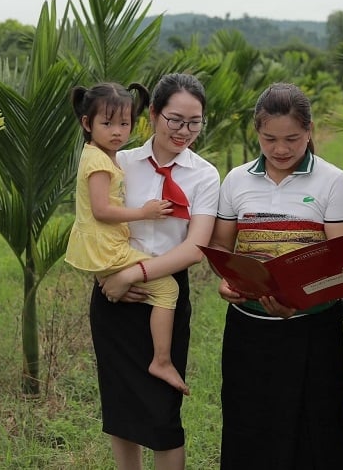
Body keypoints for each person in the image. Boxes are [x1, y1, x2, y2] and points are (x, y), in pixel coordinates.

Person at [209, 82, 343, 469]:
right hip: (249, 326)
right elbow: (223, 249)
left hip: (312, 327)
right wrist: (228, 282)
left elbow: (340, 264)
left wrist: (296, 302)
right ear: (256, 132)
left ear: (309, 132)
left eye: (292, 138)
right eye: (269, 138)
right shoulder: (237, 180)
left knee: (316, 429)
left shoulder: (333, 181)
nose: (280, 149)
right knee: (249, 426)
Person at [90, 73, 220, 469]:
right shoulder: (120, 162)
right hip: (112, 291)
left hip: (164, 293)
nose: (184, 131)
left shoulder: (205, 174)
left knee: (164, 413)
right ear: (152, 114)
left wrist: (134, 275)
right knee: (121, 411)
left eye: (194, 122)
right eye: (175, 119)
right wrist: (106, 278)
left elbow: (196, 247)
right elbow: (95, 223)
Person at [65, 81, 189, 395]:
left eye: (125, 123)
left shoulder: (103, 156)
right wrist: (144, 213)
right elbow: (102, 210)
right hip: (108, 247)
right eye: (107, 124)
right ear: (86, 123)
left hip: (108, 247)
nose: (118, 131)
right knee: (168, 288)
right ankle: (161, 359)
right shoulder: (99, 162)